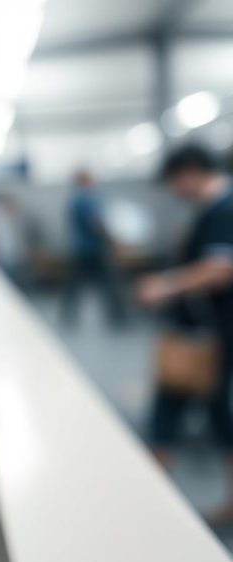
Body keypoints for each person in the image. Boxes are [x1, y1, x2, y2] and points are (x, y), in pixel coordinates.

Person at [140, 144, 233, 522]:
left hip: (212, 334)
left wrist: (167, 285)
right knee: (200, 413)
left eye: (175, 181)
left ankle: (144, 501)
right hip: (203, 332)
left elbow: (221, 268)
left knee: (208, 412)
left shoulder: (223, 209)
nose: (174, 190)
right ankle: (147, 496)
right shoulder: (207, 211)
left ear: (191, 171)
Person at [60, 169, 127, 326]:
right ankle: (119, 316)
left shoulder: (73, 199)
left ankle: (67, 315)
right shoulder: (87, 198)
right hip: (92, 249)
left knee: (74, 285)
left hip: (79, 249)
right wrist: (113, 241)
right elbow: (96, 224)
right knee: (109, 283)